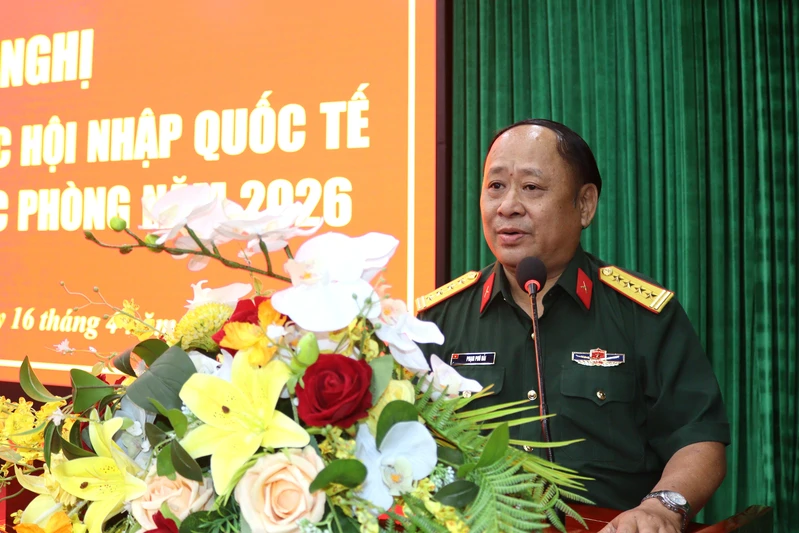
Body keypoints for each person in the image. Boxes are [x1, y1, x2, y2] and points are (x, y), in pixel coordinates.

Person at [416, 119, 730, 533]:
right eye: (496, 186)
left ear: (585, 205)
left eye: (531, 187)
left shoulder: (640, 314)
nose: (507, 206)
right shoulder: (436, 321)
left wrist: (660, 508)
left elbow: (698, 437)